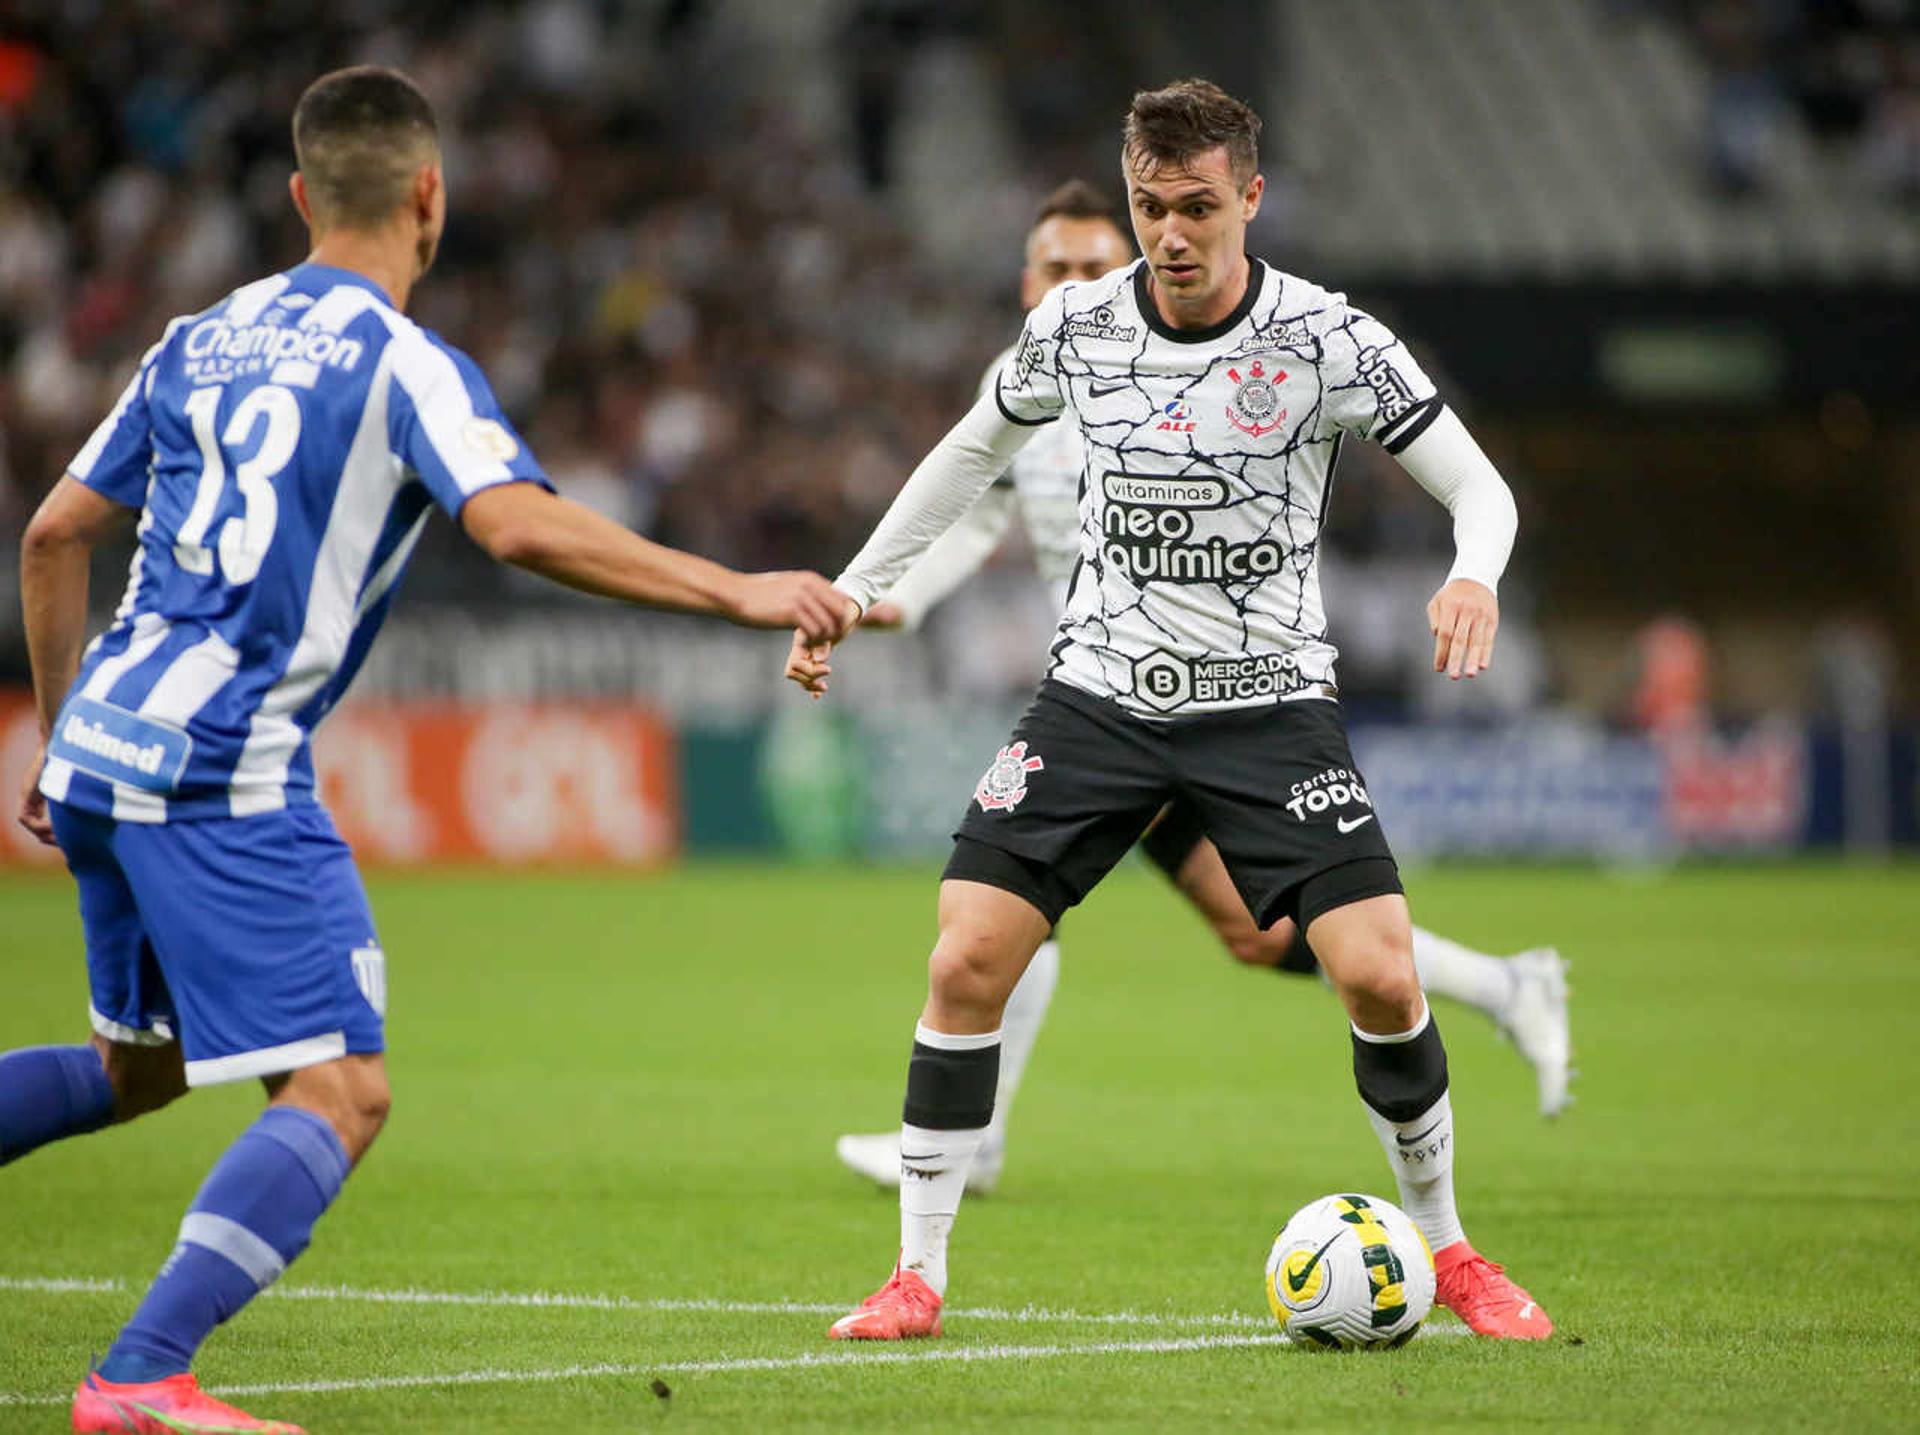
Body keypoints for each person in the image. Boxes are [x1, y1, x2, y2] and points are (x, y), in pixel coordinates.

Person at [6, 66, 845, 1435]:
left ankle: (142, 1366)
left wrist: (52, 735)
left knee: (134, 1066)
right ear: (431, 196)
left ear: (298, 195)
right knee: (341, 1088)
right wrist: (738, 587)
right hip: (222, 762)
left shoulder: (195, 335)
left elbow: (51, 534)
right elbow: (514, 523)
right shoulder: (404, 361)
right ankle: (139, 1373)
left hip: (103, 739)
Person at [789, 79, 1552, 1342]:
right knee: (967, 951)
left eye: (1198, 206)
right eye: (1151, 206)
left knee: (1375, 968)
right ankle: (916, 1276)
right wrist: (855, 588)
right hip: (1099, 698)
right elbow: (967, 455)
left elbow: (1481, 490)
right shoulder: (1076, 328)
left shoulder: (1327, 340)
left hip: (1270, 709)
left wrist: (1472, 575)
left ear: (1250, 197)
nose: (1171, 233)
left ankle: (1455, 1250)